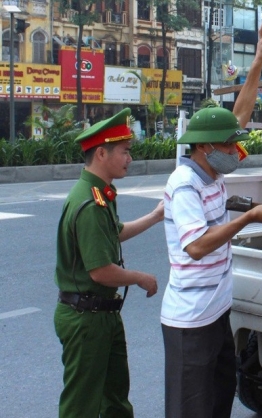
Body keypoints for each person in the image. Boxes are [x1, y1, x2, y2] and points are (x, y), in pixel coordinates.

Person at [161, 22, 262, 418]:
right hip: (190, 321)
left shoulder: (214, 170)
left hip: (216, 313)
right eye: (229, 144)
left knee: (218, 400)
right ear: (203, 147)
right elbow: (195, 246)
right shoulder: (185, 184)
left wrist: (258, 62)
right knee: (190, 409)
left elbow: (240, 112)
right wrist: (246, 217)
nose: (236, 149)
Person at [54, 108, 164, 417]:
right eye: (125, 152)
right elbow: (100, 271)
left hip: (100, 314)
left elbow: (114, 234)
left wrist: (155, 217)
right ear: (102, 153)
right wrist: (139, 277)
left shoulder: (99, 194)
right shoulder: (89, 203)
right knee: (82, 406)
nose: (130, 158)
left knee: (115, 399)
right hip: (86, 318)